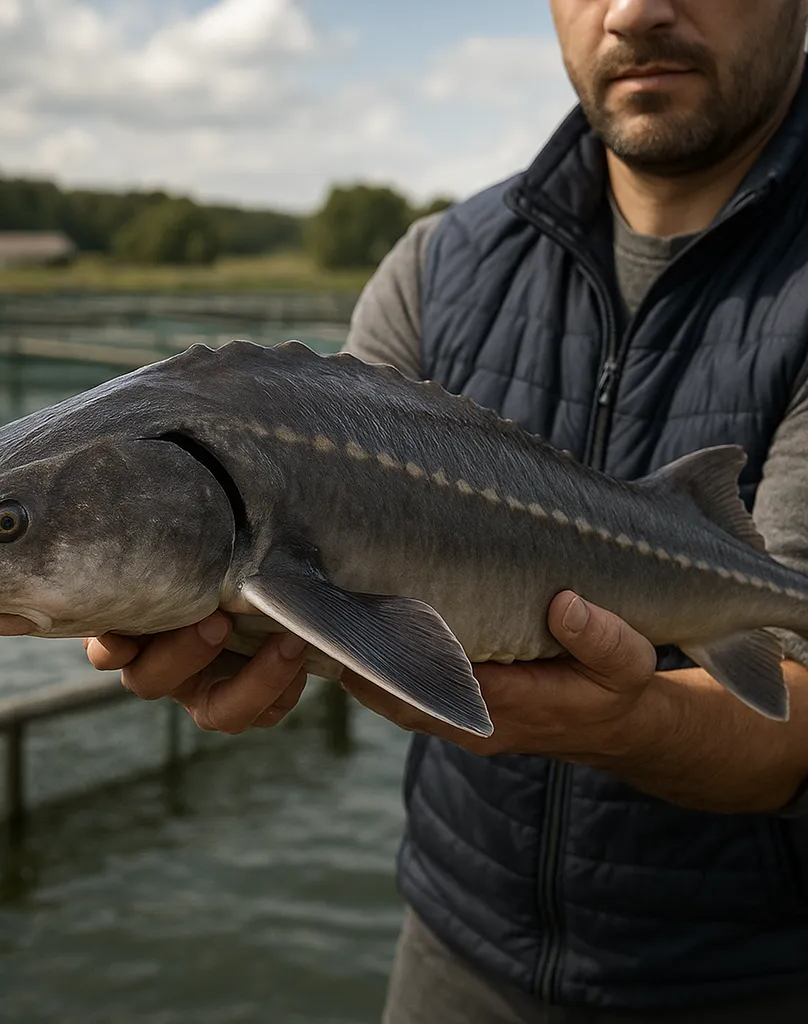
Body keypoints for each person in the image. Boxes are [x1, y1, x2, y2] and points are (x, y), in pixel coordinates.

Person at [83, 2, 808, 1020]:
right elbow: (326, 579)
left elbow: (796, 714)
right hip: (455, 950)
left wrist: (627, 724)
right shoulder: (435, 264)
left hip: (753, 980)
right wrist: (238, 634)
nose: (635, 9)